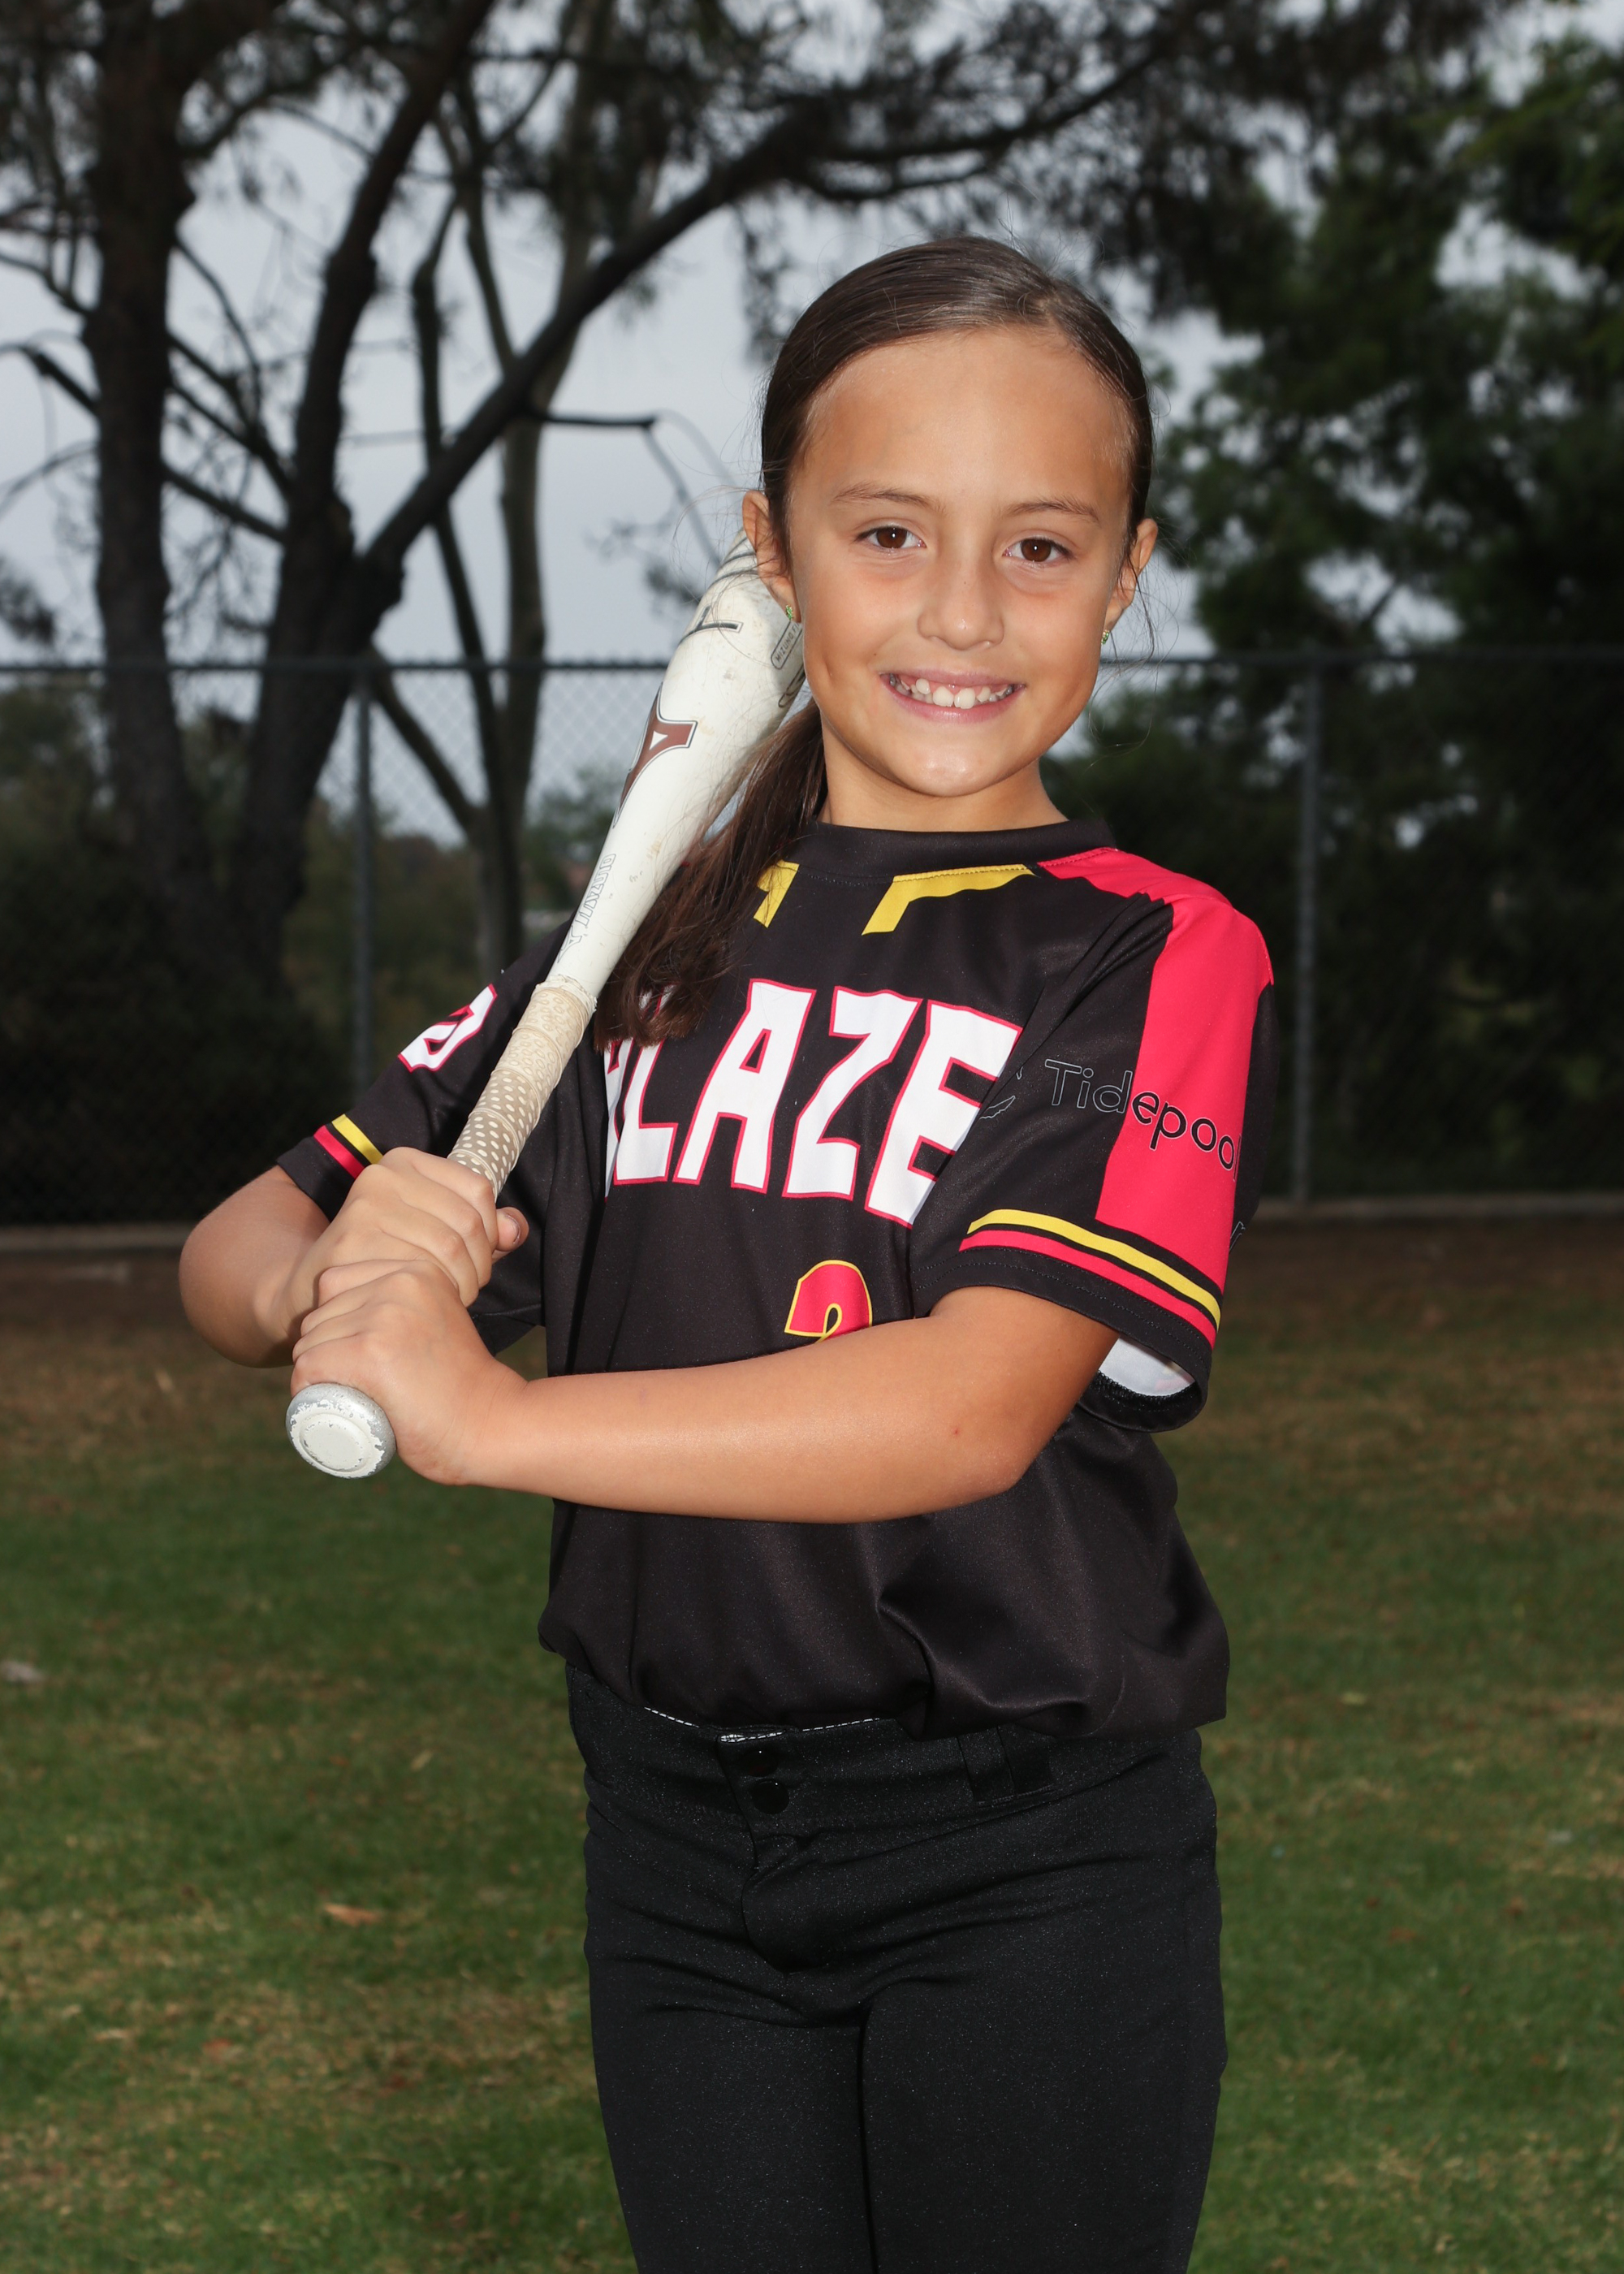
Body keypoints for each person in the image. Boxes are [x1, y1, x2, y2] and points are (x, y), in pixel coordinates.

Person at [181, 236, 1277, 2274]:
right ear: (773, 549)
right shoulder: (643, 941)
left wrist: (486, 1415)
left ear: (1127, 574)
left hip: (1018, 1847)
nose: (963, 610)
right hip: (673, 1848)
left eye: (1041, 547)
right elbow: (246, 1235)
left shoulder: (1144, 949)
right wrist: (326, 1287)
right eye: (888, 532)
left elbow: (969, 1404)